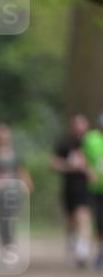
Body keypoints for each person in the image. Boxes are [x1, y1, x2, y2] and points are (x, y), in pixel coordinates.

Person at [0, 123, 33, 261]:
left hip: (13, 193)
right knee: (0, 220)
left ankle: (10, 246)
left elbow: (22, 172)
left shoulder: (15, 155)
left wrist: (27, 185)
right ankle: (3, 246)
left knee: (10, 219)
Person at [51, 114, 91, 267]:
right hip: (69, 187)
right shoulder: (64, 143)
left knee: (83, 215)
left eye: (82, 124)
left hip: (86, 187)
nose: (79, 128)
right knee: (71, 220)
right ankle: (72, 240)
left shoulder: (92, 143)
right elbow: (53, 163)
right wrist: (70, 166)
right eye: (77, 124)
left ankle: (83, 249)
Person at [82, 117, 103, 271]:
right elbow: (82, 158)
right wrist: (89, 172)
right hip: (97, 189)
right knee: (100, 222)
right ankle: (100, 253)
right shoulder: (91, 139)